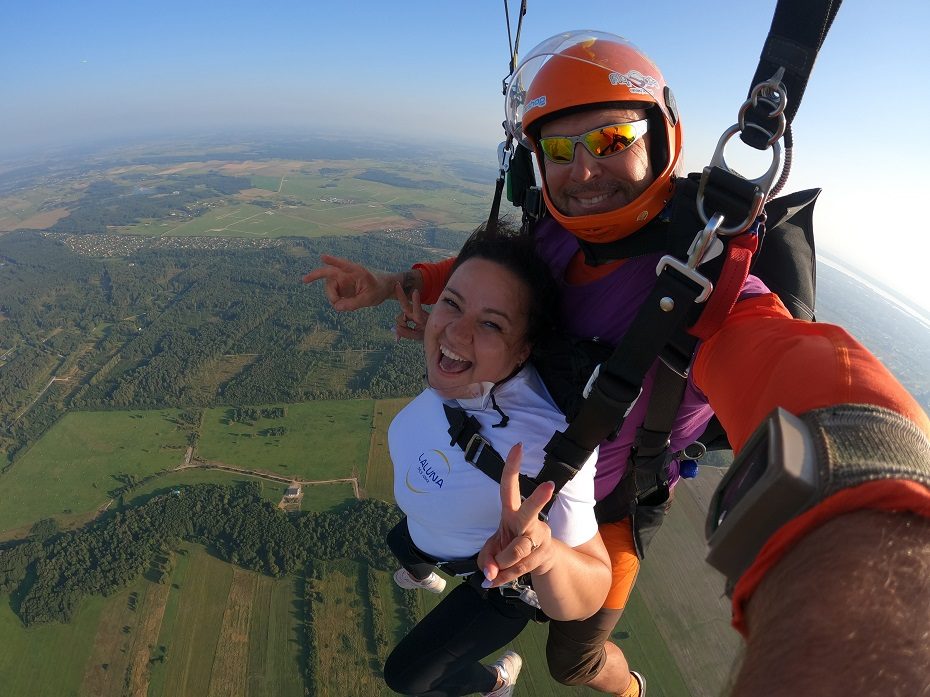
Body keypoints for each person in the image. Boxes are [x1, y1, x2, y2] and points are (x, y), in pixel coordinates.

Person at [305, 31, 930, 696]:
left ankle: (629, 689)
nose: (581, 170)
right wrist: (395, 283)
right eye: (559, 149)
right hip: (509, 451)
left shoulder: (705, 282)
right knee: (425, 528)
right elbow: (489, 283)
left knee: (571, 660)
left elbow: (789, 363)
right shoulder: (552, 227)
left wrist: (878, 498)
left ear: (661, 138)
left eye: (609, 141)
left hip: (608, 503)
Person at [381, 228, 611, 697]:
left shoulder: (549, 444)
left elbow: (593, 590)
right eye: (452, 303)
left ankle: (494, 684)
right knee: (402, 541)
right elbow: (453, 339)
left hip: (496, 584)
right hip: (433, 533)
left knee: (406, 677)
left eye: (491, 324)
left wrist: (544, 554)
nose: (457, 332)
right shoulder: (460, 366)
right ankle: (423, 571)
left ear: (522, 351)